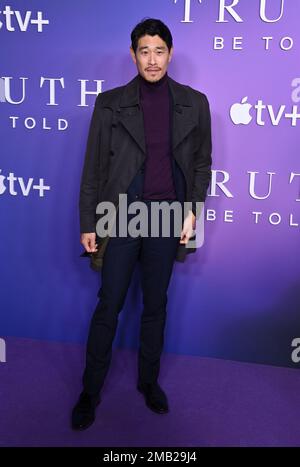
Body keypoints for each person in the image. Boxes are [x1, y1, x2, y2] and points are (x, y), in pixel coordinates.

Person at [72, 17, 212, 430]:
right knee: (109, 305)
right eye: (144, 51)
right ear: (133, 55)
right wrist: (88, 221)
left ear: (170, 53)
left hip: (168, 216)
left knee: (156, 305)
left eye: (160, 50)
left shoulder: (194, 102)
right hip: (120, 215)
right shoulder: (110, 102)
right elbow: (94, 168)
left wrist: (193, 209)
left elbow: (202, 164)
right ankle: (89, 391)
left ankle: (148, 383)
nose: (152, 60)